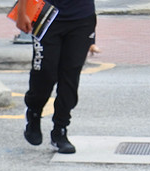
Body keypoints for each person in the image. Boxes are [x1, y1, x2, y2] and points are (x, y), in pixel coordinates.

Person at [14, 0, 97, 154]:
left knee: (70, 76)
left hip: (82, 17)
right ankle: (34, 112)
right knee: (45, 72)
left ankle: (60, 130)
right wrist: (22, 13)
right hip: (47, 15)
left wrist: (92, 38)